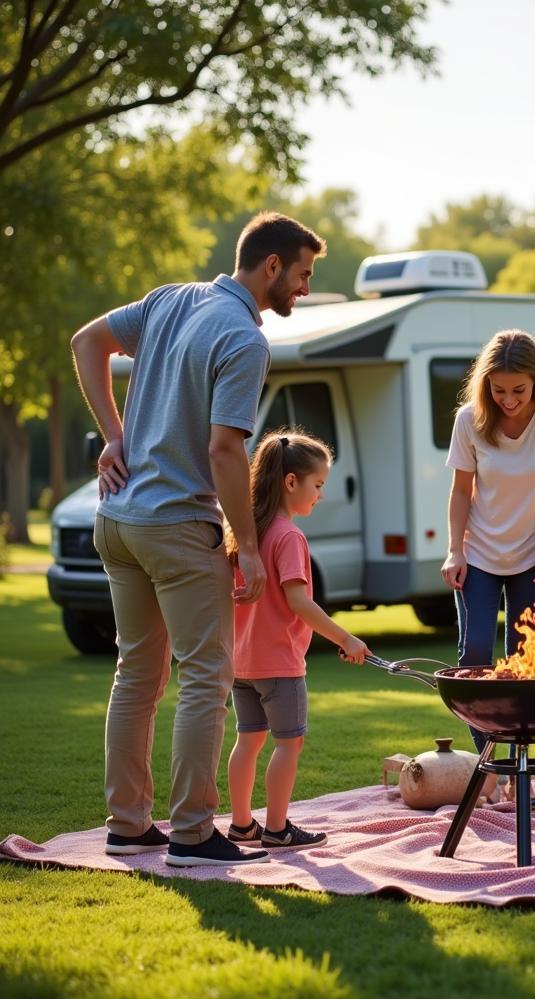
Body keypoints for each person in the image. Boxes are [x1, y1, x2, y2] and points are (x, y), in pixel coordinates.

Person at [71, 211, 325, 867]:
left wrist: (115, 434)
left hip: (119, 521)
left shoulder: (169, 300)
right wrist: (245, 542)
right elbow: (223, 449)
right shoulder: (243, 338)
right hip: (179, 526)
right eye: (301, 275)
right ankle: (190, 834)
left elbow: (85, 342)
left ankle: (128, 826)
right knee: (208, 680)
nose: (302, 288)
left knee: (137, 678)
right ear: (270, 266)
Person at [441, 329, 535, 805]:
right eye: (498, 390)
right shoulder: (470, 420)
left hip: (531, 555)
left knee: (527, 665)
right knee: (475, 656)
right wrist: (454, 550)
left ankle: (517, 780)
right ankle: (489, 767)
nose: (508, 400)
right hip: (479, 554)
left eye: (518, 390)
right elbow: (462, 492)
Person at [225, 429, 370, 851]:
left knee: (248, 740)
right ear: (291, 482)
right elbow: (300, 603)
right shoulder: (289, 536)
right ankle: (276, 829)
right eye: (318, 485)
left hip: (242, 663)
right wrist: (347, 638)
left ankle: (240, 826)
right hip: (280, 665)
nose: (321, 495)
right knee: (291, 743)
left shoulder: (246, 533)